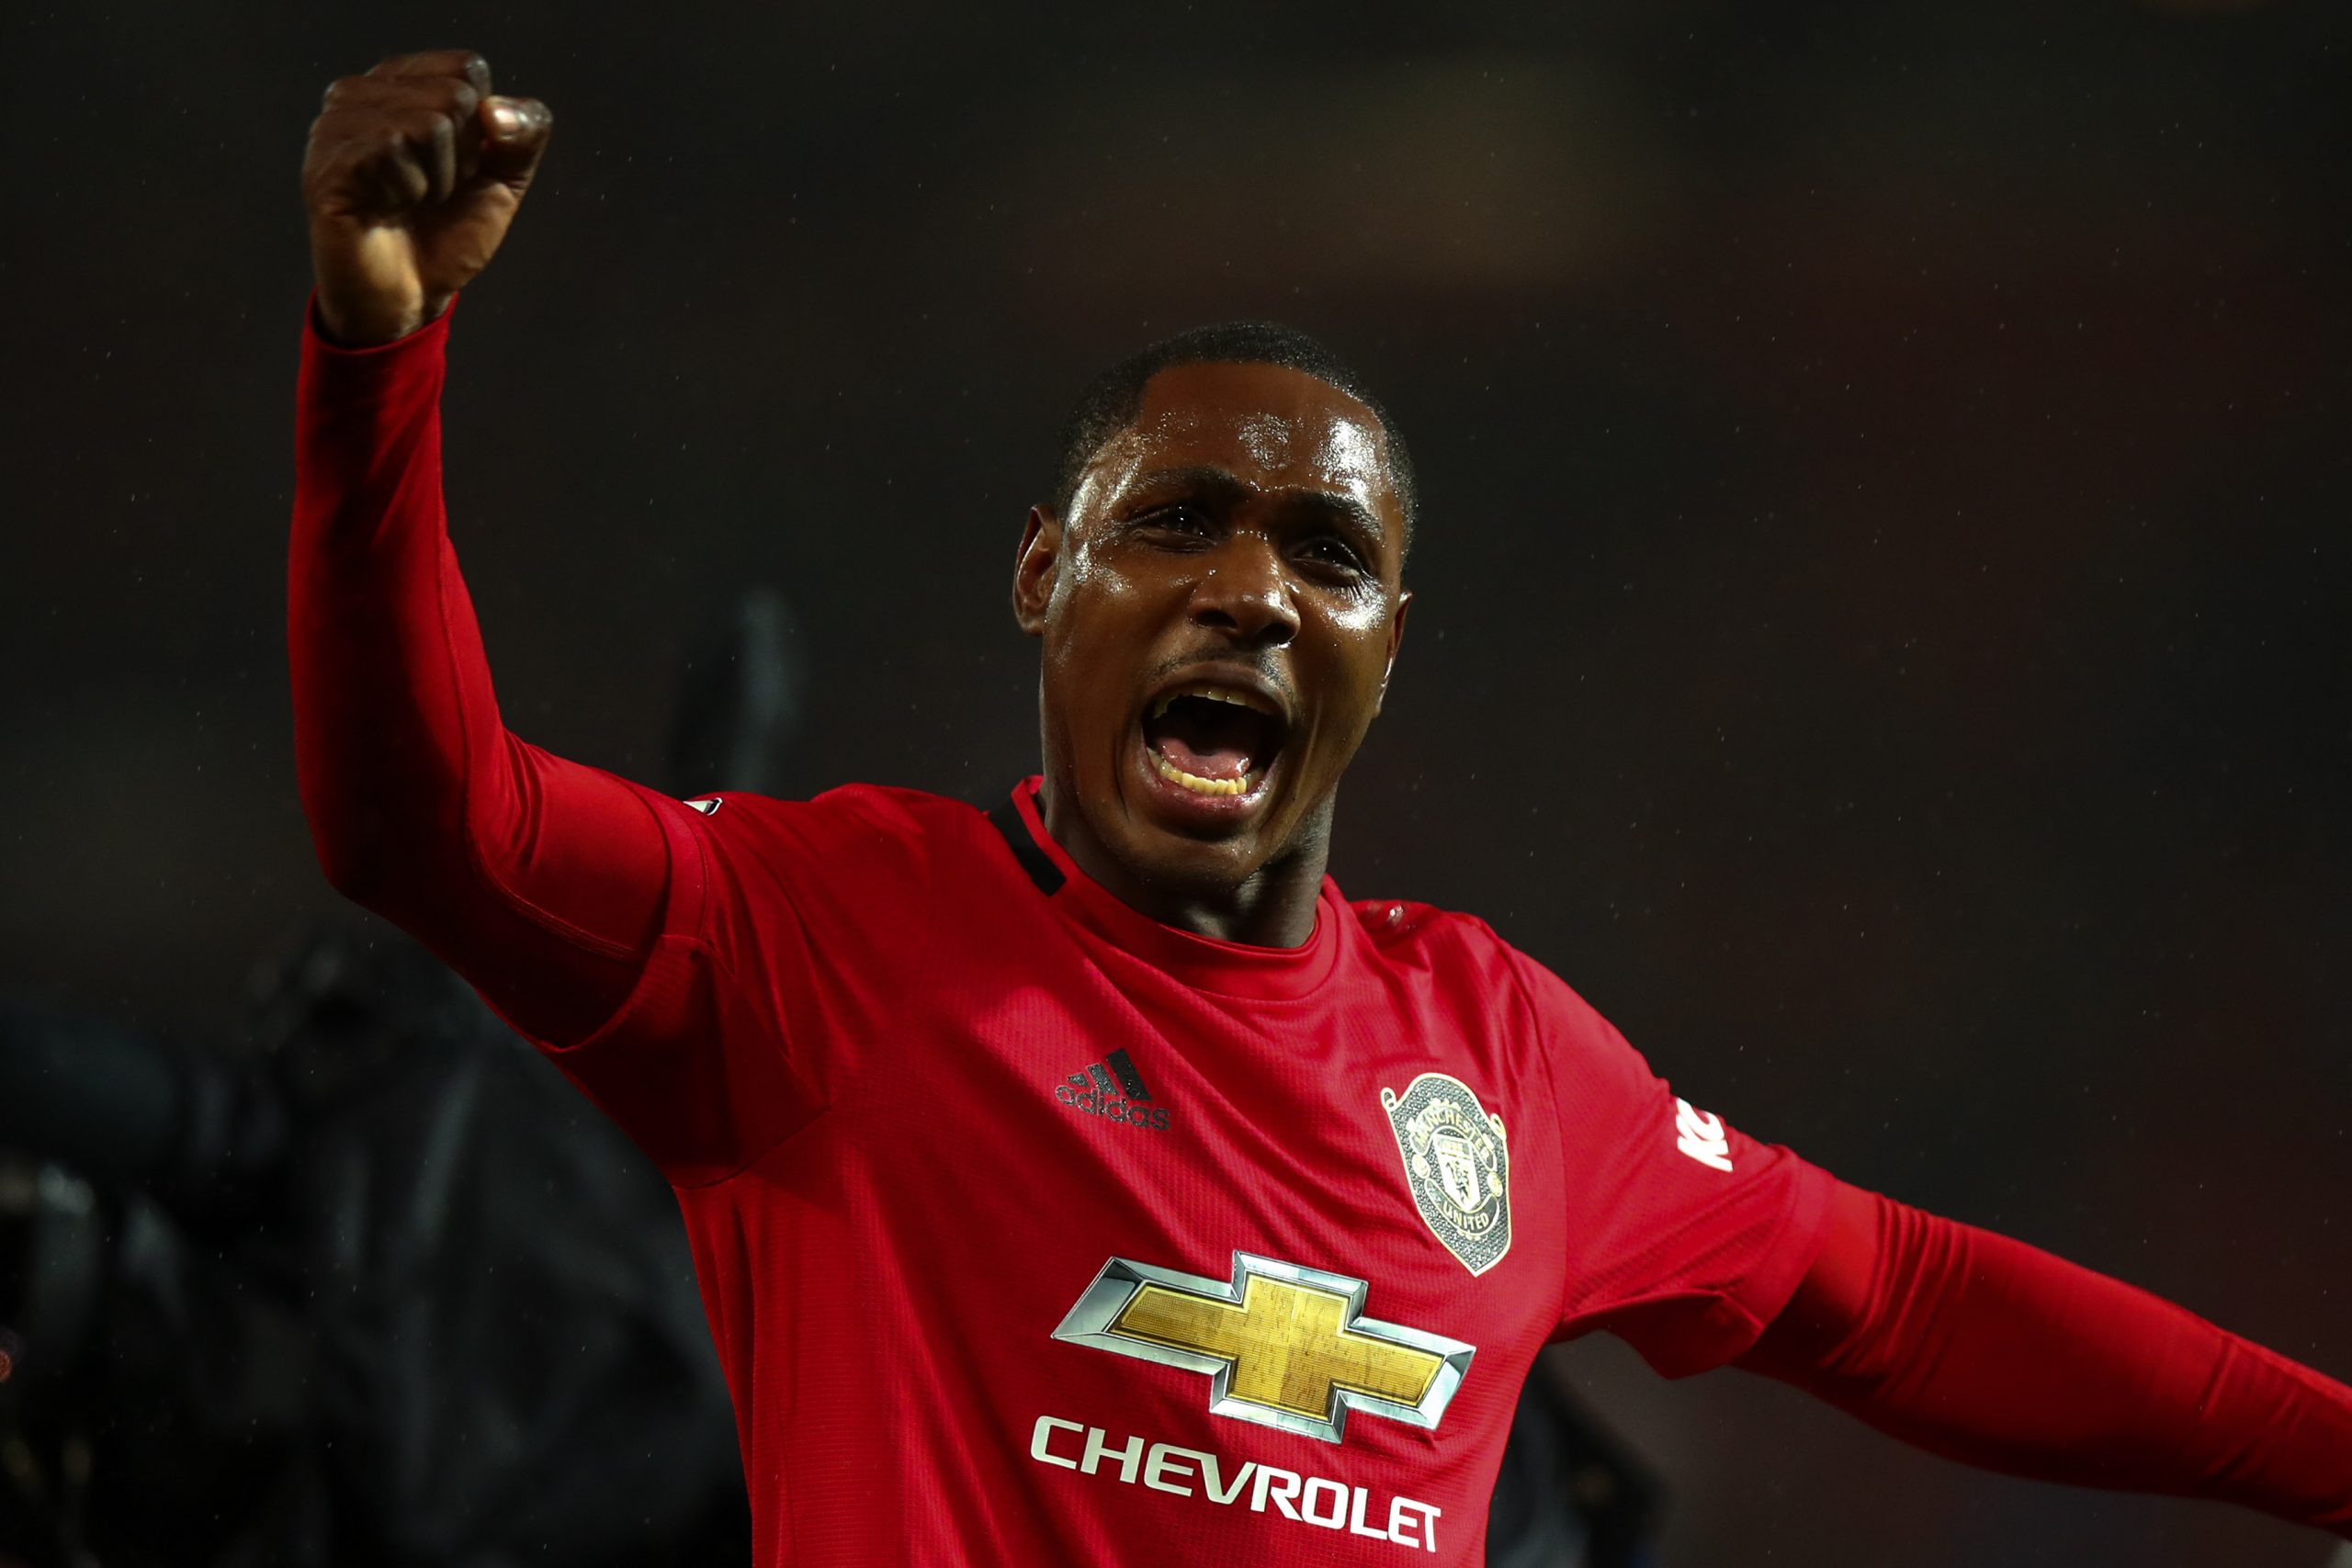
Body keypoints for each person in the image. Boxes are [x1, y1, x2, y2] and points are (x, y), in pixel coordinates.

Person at [288, 49, 2352, 1566]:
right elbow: (424, 820)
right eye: (1172, 522)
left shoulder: (1515, 1059)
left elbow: (1885, 1290)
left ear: (1384, 638)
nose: (1247, 589)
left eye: (1320, 554)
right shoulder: (823, 927)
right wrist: (377, 354)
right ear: (1041, 577)